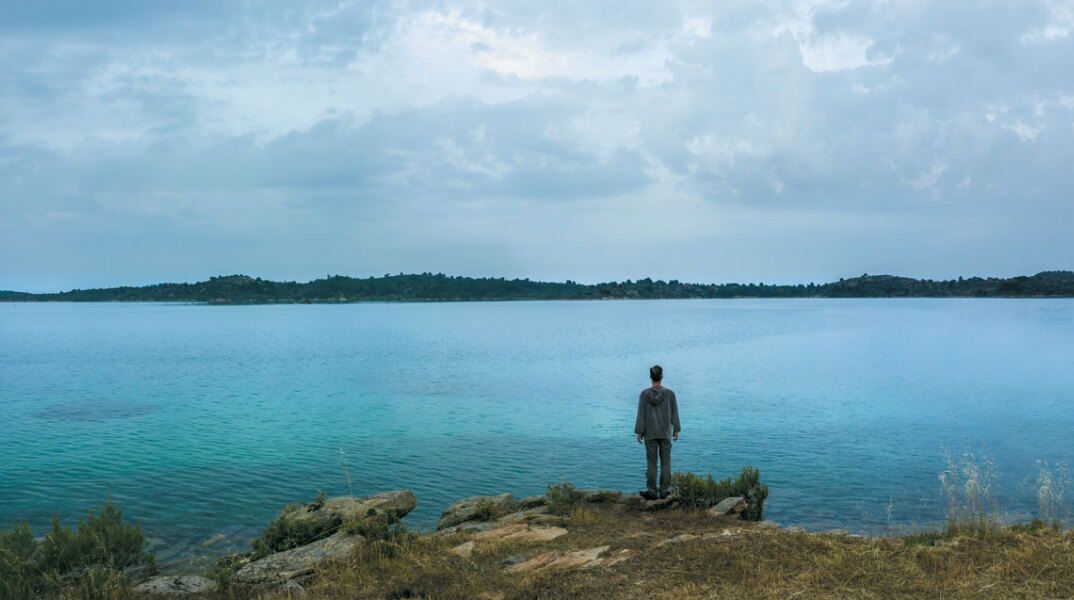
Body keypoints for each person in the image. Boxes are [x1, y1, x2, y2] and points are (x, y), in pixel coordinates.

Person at [634, 365, 680, 500]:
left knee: (651, 463)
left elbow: (641, 414)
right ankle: (664, 491)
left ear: (650, 377)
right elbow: (674, 413)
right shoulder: (670, 394)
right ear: (661, 376)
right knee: (666, 462)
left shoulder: (644, 394)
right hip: (665, 433)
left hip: (650, 434)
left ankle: (652, 492)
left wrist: (639, 432)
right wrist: (676, 429)